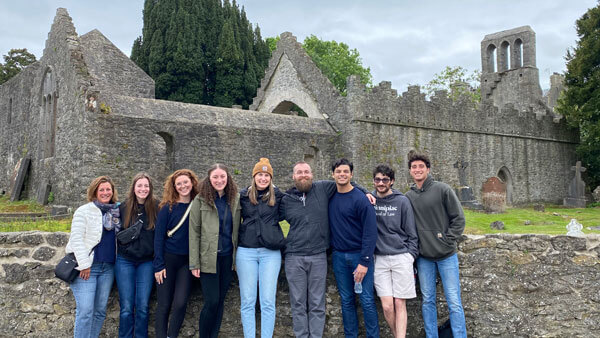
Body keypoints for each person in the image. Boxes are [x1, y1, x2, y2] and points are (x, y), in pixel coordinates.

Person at [279, 161, 374, 338]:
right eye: (299, 172)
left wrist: (366, 192)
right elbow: (272, 218)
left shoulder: (323, 188)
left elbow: (345, 180)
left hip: (318, 255)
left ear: (312, 174)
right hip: (294, 256)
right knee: (298, 303)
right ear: (293, 176)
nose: (303, 175)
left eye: (306, 172)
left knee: (317, 303)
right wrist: (278, 241)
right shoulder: (286, 200)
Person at [405, 153, 467, 338]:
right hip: (424, 258)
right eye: (414, 167)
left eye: (421, 166)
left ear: (428, 169)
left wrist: (448, 240)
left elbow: (459, 218)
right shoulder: (408, 196)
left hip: (447, 256)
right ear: (410, 171)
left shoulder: (443, 190)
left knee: (454, 302)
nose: (417, 170)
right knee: (428, 301)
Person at [328, 158, 379, 338]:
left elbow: (370, 232)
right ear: (332, 174)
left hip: (360, 256)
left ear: (351, 174)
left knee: (366, 300)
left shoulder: (361, 199)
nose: (342, 174)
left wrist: (364, 261)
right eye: (338, 171)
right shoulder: (330, 196)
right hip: (339, 256)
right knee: (347, 301)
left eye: (345, 171)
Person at [189, 164, 241, 338]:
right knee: (211, 301)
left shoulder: (234, 199)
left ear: (228, 178)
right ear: (209, 179)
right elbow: (194, 232)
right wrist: (194, 262)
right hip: (207, 258)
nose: (219, 180)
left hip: (227, 257)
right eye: (215, 177)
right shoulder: (200, 200)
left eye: (222, 177)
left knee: (219, 302)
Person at [65, 176, 120, 338]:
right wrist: (84, 265)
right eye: (101, 189)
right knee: (86, 311)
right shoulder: (84, 210)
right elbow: (76, 239)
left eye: (108, 189)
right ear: (95, 192)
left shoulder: (116, 211)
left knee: (99, 311)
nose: (105, 192)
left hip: (108, 268)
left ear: (113, 191)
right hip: (87, 268)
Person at [236, 158, 284, 338]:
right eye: (260, 175)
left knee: (267, 301)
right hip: (246, 252)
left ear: (271, 178)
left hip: (270, 253)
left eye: (266, 175)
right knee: (248, 301)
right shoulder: (243, 196)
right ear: (254, 176)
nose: (263, 178)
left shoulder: (278, 196)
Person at [372, 164, 418, 338]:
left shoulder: (402, 201)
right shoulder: (369, 200)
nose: (381, 183)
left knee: (400, 303)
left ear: (392, 181)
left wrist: (409, 256)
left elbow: (411, 232)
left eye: (385, 179)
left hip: (401, 256)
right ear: (373, 181)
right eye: (378, 179)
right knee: (387, 305)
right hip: (380, 258)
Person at [154, 169, 200, 338]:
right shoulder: (167, 208)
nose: (183, 186)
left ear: (192, 182)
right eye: (179, 184)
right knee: (164, 304)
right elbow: (158, 238)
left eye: (185, 182)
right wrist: (158, 265)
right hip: (168, 261)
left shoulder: (198, 205)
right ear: (174, 187)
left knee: (180, 303)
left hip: (187, 262)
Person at [115, 173, 159, 338]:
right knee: (126, 307)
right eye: (139, 186)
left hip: (146, 262)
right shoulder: (123, 207)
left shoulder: (157, 207)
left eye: (146, 186)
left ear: (150, 188)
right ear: (134, 188)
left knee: (142, 306)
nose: (143, 189)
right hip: (125, 261)